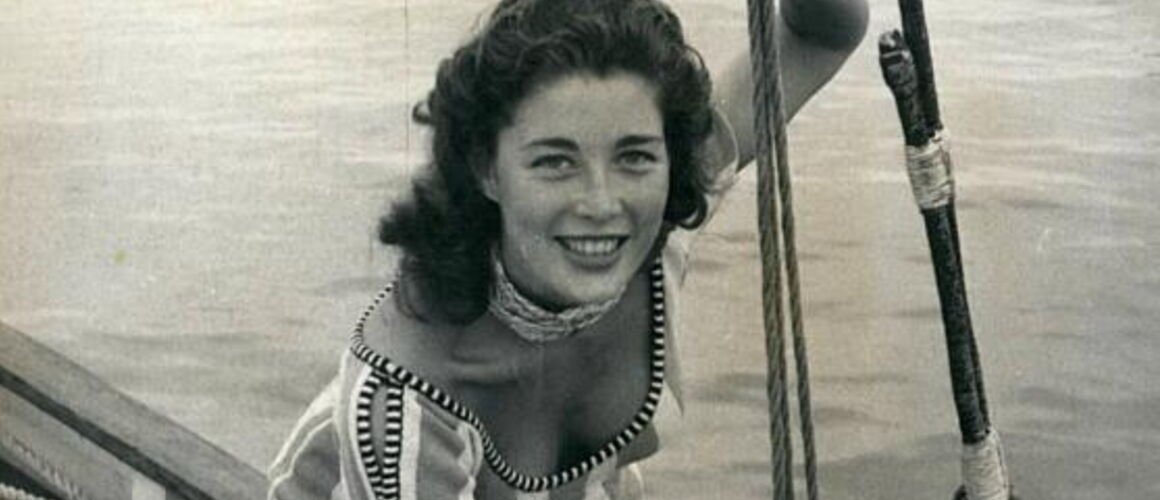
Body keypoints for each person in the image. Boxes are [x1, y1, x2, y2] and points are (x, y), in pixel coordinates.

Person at [269, 0, 867, 498]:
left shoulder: (665, 207)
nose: (602, 203)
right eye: (555, 162)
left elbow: (821, 33)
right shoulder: (404, 405)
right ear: (486, 170)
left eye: (635, 156)